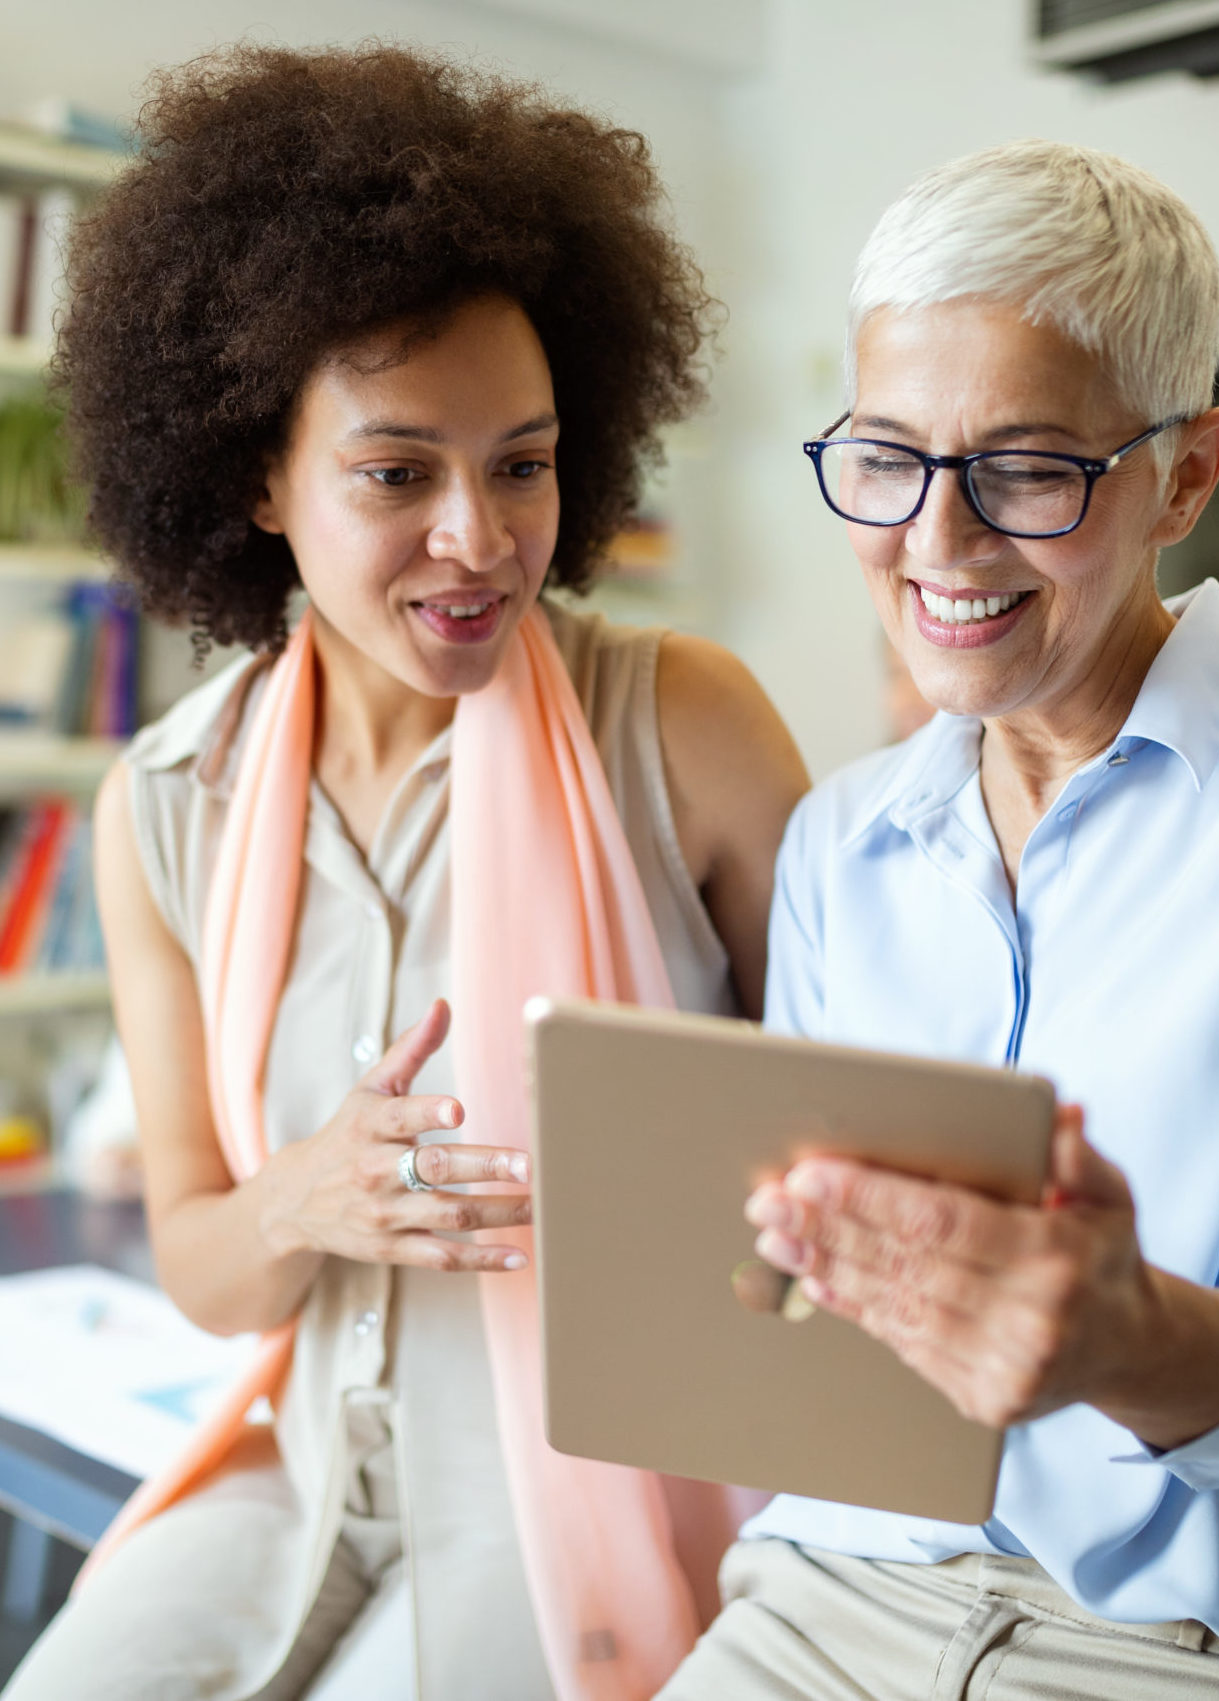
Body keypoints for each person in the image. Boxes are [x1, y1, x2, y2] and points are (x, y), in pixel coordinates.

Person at [658, 140, 1219, 1701]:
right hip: (841, 1582)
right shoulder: (840, 843)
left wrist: (1120, 1336)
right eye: (883, 457)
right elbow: (810, 1307)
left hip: (1214, 1631)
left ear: (1186, 474)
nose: (935, 541)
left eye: (1025, 468)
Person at [4, 44, 806, 1701]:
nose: (480, 536)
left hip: (577, 1493)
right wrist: (310, 1190)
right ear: (255, 474)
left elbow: (867, 1169)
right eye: (396, 472)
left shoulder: (685, 725)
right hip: (295, 1473)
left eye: (522, 460)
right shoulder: (171, 800)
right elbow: (208, 1270)